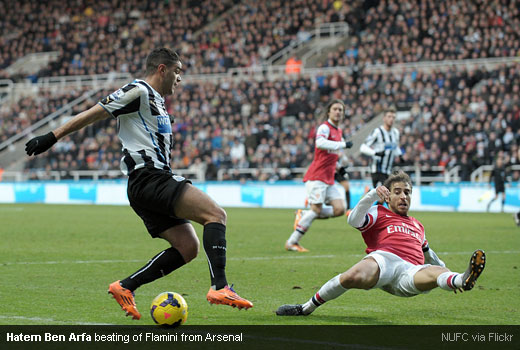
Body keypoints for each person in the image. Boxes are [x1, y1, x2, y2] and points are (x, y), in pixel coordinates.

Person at [24, 47, 253, 320]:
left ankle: (125, 286)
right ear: (162, 70)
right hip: (149, 178)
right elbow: (94, 112)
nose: (179, 79)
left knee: (187, 247)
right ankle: (220, 287)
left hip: (149, 182)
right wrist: (52, 135)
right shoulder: (139, 91)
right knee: (215, 215)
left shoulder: (157, 101)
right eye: (177, 71)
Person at [276, 170, 485, 316]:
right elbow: (353, 220)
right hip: (383, 261)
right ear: (388, 196)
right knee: (351, 276)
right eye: (397, 192)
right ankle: (305, 308)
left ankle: (462, 279)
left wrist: (445, 270)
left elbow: (429, 253)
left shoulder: (418, 226)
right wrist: (372, 195)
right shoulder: (378, 212)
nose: (403, 196)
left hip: (411, 270)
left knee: (435, 271)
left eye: (407, 192)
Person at [285, 99, 353, 252]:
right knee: (316, 210)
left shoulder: (338, 132)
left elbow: (333, 155)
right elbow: (320, 143)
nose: (338, 112)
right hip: (316, 177)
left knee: (340, 209)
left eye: (340, 110)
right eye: (335, 109)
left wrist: (341, 167)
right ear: (328, 112)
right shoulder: (324, 127)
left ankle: (303, 215)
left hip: (328, 179)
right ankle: (292, 242)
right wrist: (343, 145)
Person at [360, 107, 401, 203]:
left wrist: (400, 155)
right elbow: (363, 147)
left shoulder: (395, 133)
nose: (391, 119)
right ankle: (369, 195)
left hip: (388, 170)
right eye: (389, 116)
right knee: (384, 195)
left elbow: (395, 147)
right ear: (384, 118)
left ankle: (368, 192)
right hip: (377, 169)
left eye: (393, 117)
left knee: (382, 197)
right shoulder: (378, 132)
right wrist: (375, 153)